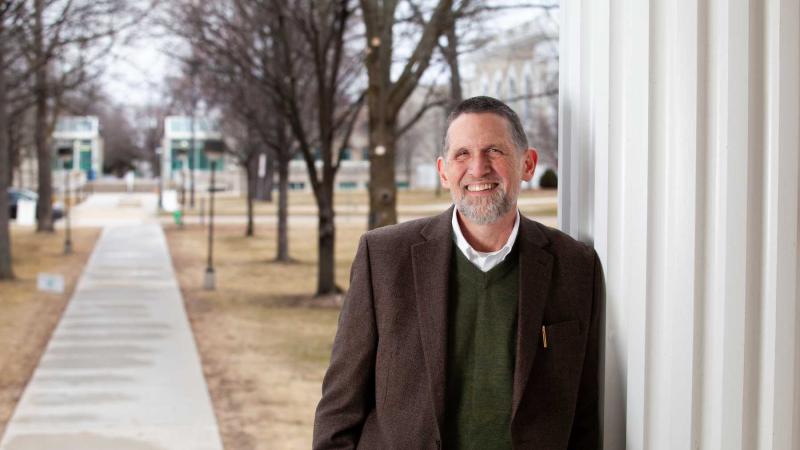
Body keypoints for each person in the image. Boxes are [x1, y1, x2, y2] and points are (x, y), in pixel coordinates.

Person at [313, 96, 602, 450]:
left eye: (494, 151)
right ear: (443, 170)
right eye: (462, 154)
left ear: (528, 164)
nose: (478, 168)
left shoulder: (575, 266)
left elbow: (584, 414)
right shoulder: (384, 257)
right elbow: (339, 410)